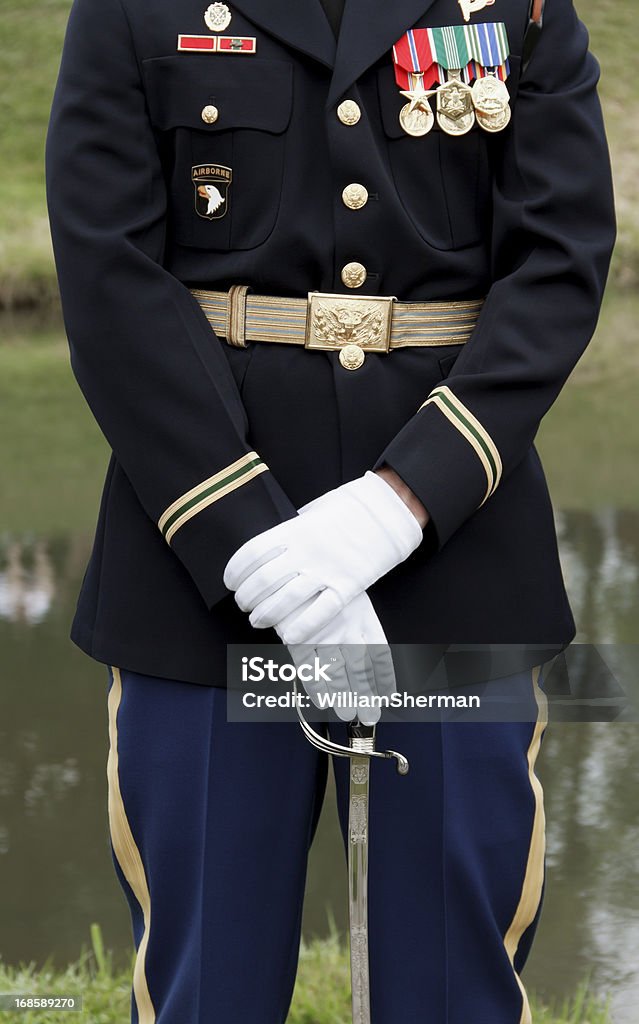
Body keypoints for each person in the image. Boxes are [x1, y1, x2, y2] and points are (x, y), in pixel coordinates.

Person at [45, 0, 616, 1019]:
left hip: (453, 562)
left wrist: (397, 509)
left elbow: (561, 261)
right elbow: (108, 279)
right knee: (204, 984)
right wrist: (252, 541)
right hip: (206, 584)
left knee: (453, 989)